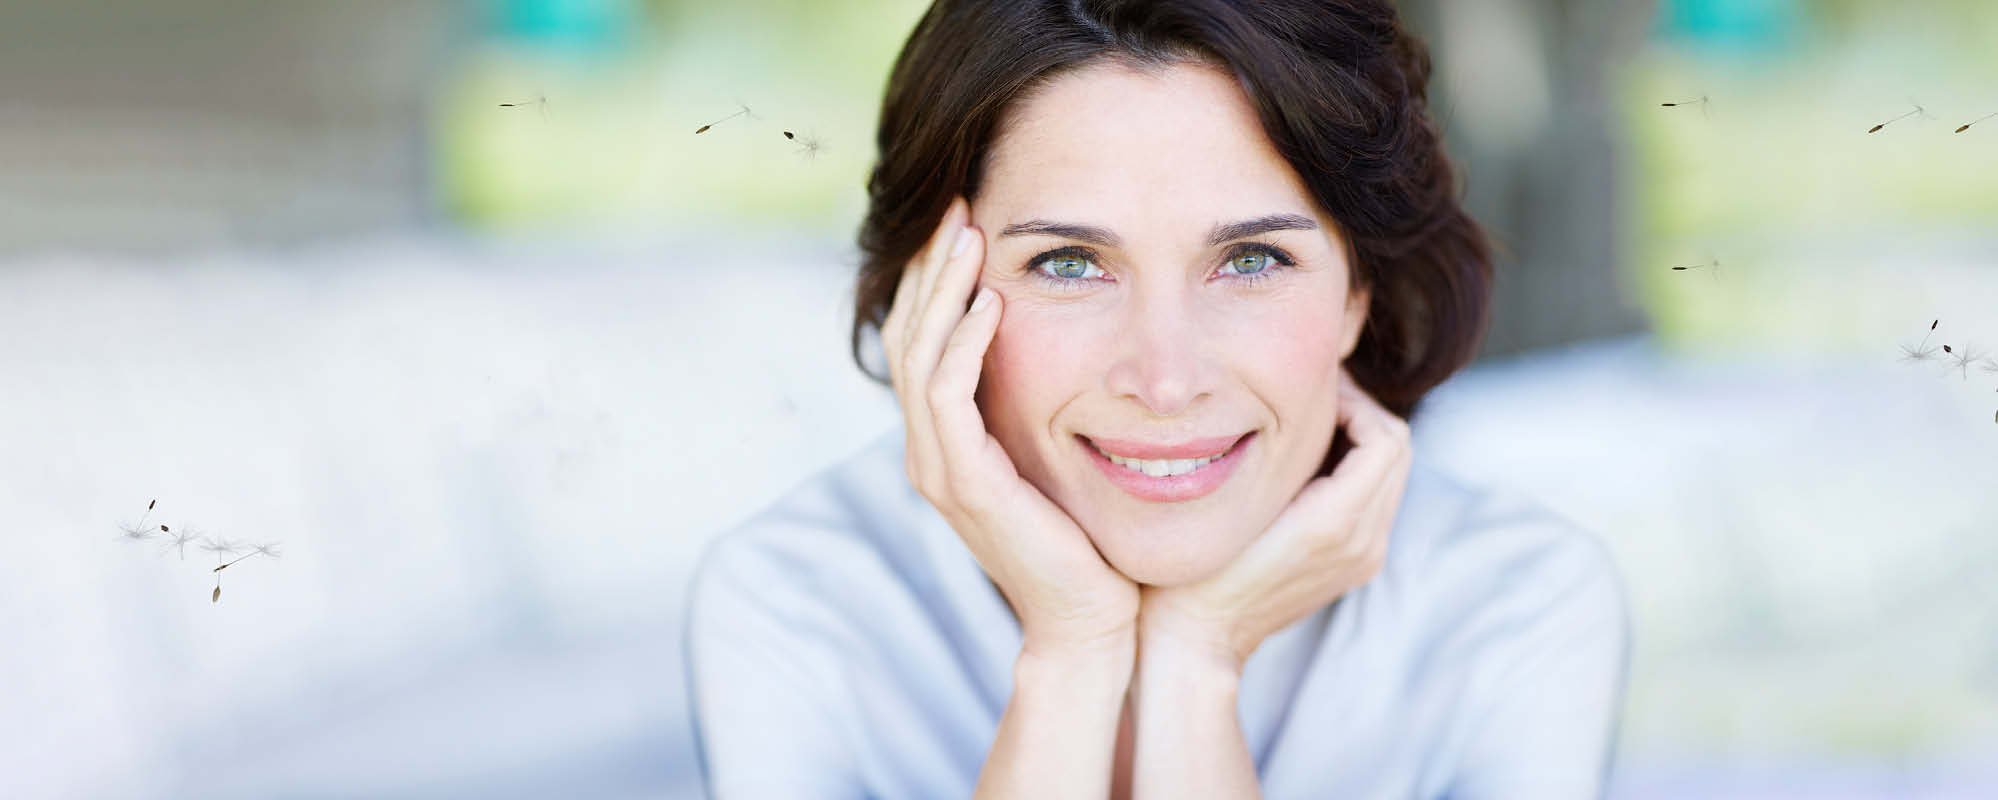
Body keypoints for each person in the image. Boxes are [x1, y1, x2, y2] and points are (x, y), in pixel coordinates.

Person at [684, 1, 1630, 797]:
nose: (1167, 378)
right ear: (936, 289)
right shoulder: (796, 602)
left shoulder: (1513, 605)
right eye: (1069, 263)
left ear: (1357, 294)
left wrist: (1197, 663)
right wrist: (1070, 655)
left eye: (1253, 259)